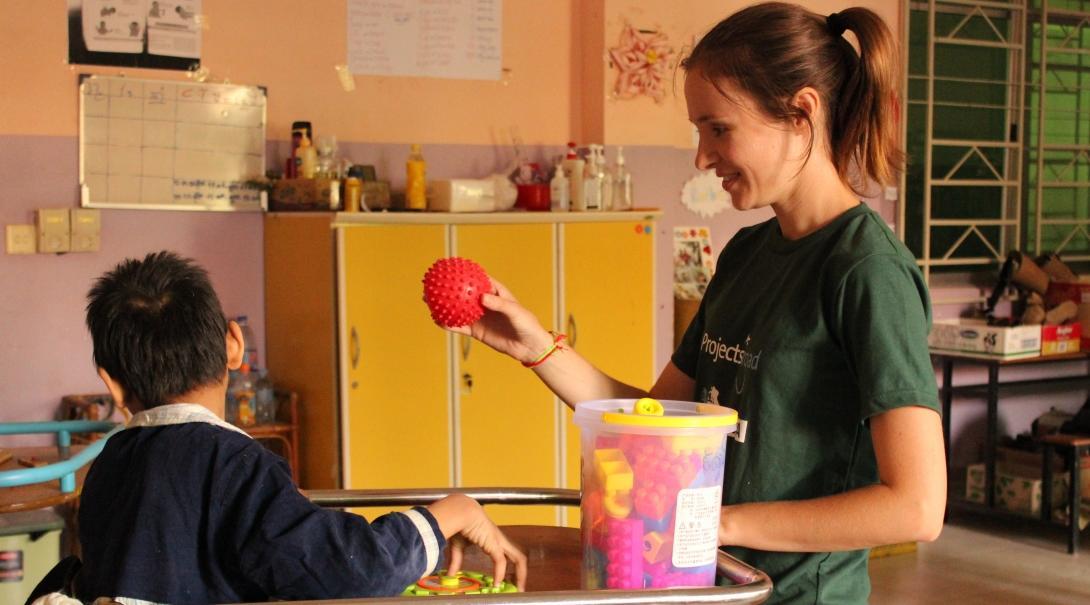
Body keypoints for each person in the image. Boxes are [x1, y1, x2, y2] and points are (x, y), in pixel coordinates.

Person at [448, 3, 945, 603]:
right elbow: (658, 422)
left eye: (718, 129)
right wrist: (538, 349)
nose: (702, 158)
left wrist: (719, 523)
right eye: (698, 132)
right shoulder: (746, 253)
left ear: (801, 112)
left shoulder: (867, 273)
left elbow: (916, 506)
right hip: (703, 584)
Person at [59, 251, 525, 604]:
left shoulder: (108, 466)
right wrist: (454, 512)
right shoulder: (235, 465)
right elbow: (351, 568)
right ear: (235, 345)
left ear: (113, 385)